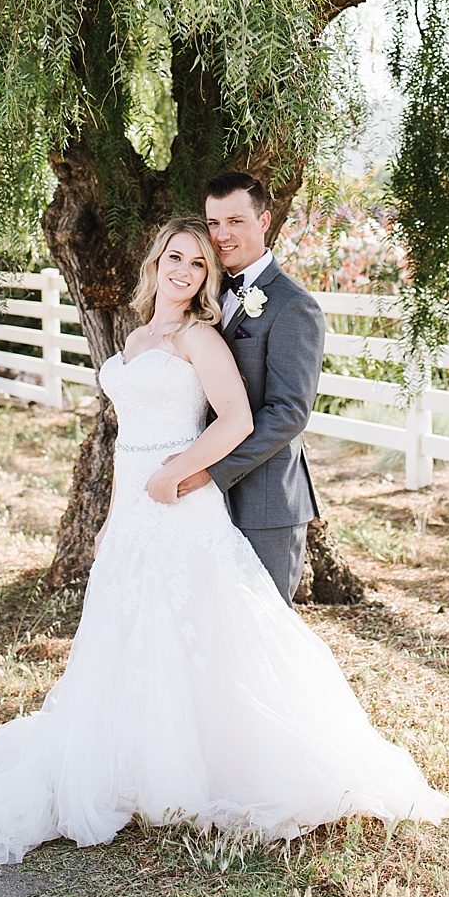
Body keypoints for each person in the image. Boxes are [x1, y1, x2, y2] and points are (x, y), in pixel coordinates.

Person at [0, 218, 449, 864]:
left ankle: (210, 766)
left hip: (182, 505)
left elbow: (238, 420)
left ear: (207, 278)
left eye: (199, 264)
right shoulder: (134, 338)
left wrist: (179, 471)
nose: (184, 271)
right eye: (175, 258)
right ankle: (133, 758)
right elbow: (126, 441)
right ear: (155, 263)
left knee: (196, 630)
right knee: (129, 633)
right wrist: (111, 516)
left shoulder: (199, 337)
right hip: (134, 507)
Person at [175, 170, 325, 603]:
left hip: (264, 501)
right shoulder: (203, 291)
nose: (221, 235)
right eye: (213, 223)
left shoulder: (294, 306)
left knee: (264, 623)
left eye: (235, 221)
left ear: (263, 221)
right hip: (199, 501)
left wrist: (210, 470)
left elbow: (288, 413)